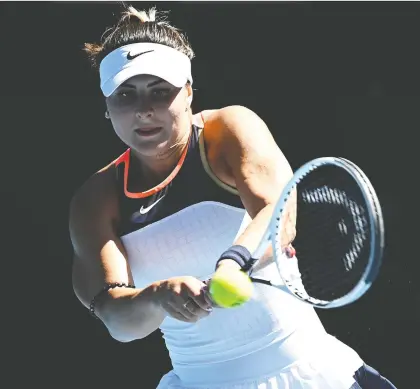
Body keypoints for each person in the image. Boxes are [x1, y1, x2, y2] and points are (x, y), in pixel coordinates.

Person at [69, 5, 397, 389]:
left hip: (312, 375)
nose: (144, 110)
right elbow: (119, 322)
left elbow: (279, 214)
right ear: (107, 108)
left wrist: (234, 261)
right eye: (126, 95)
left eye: (160, 92)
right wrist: (157, 296)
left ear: (188, 92)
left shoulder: (226, 130)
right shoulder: (95, 199)